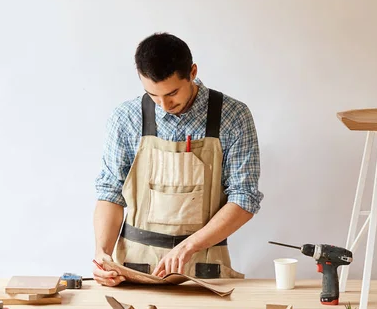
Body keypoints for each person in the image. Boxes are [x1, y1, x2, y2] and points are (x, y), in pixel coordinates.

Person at [92, 32, 263, 287]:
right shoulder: (125, 118)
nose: (163, 104)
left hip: (205, 269)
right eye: (152, 95)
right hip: (133, 270)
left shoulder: (233, 116)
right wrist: (102, 253)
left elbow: (244, 198)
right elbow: (110, 192)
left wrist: (189, 247)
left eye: (172, 93)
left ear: (192, 72)